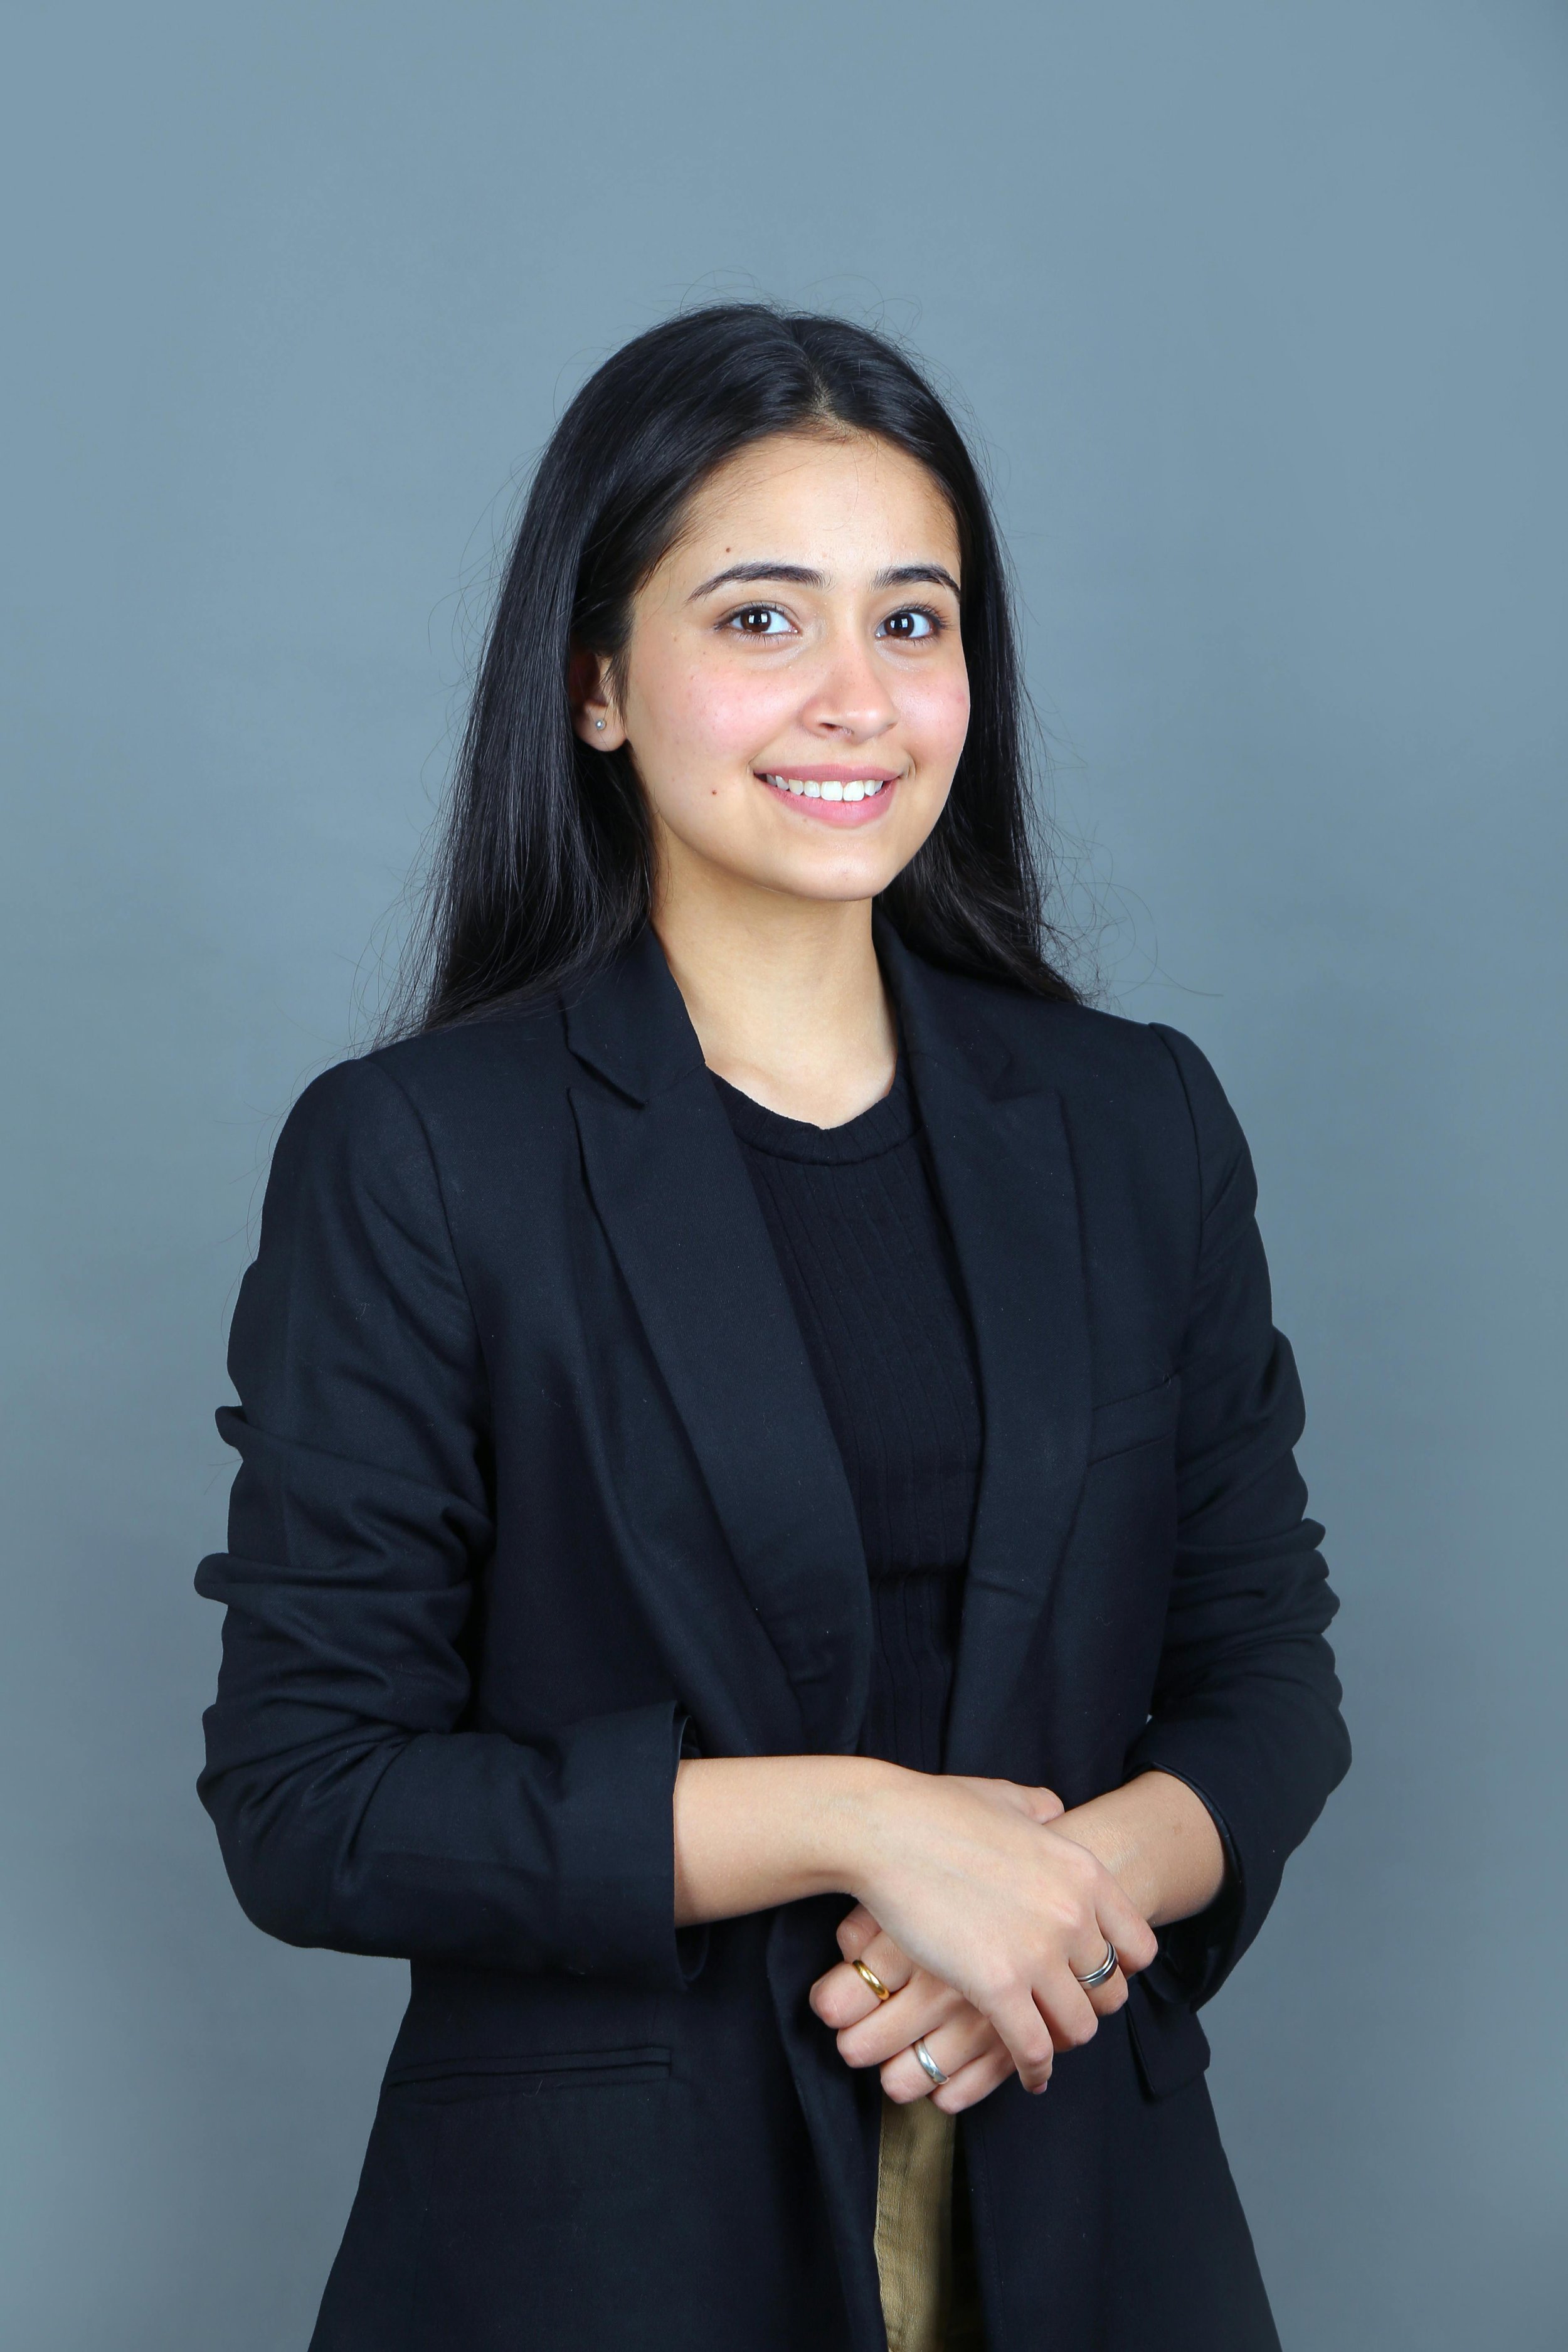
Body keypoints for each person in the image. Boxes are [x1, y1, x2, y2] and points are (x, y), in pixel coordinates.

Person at [196, 304, 1350, 2352]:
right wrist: (863, 1825)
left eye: (914, 623)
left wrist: (1056, 1906)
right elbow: (319, 1797)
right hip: (606, 2253)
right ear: (597, 686)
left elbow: (1261, 1678)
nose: (856, 699)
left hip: (1087, 2205)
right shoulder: (422, 1155)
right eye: (757, 620)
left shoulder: (1132, 1121)